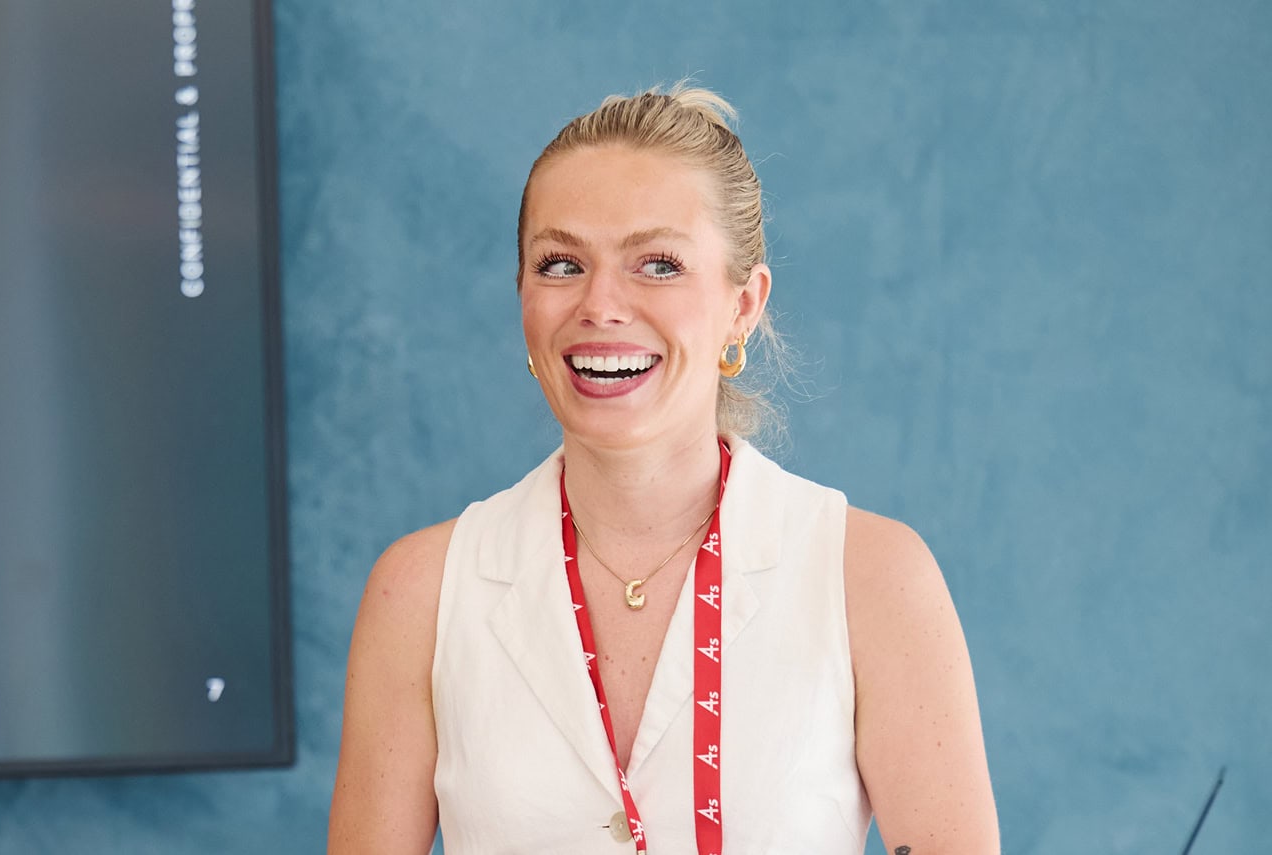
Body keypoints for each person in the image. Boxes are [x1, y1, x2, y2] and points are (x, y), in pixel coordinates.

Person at [329, 83, 1000, 855]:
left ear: (742, 305)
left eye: (657, 264)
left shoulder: (872, 579)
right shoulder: (420, 592)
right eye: (560, 263)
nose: (600, 305)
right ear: (522, 296)